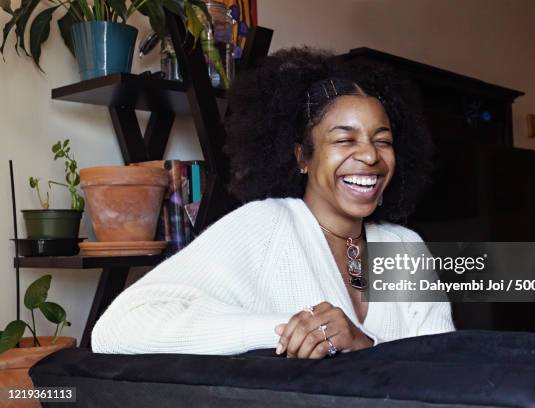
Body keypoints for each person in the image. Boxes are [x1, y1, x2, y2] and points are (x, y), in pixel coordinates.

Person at [91, 47, 454, 359]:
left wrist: (365, 344)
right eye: (344, 140)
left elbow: (444, 365)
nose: (370, 156)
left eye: (382, 140)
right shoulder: (265, 225)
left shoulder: (404, 246)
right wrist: (290, 330)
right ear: (303, 157)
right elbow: (116, 329)